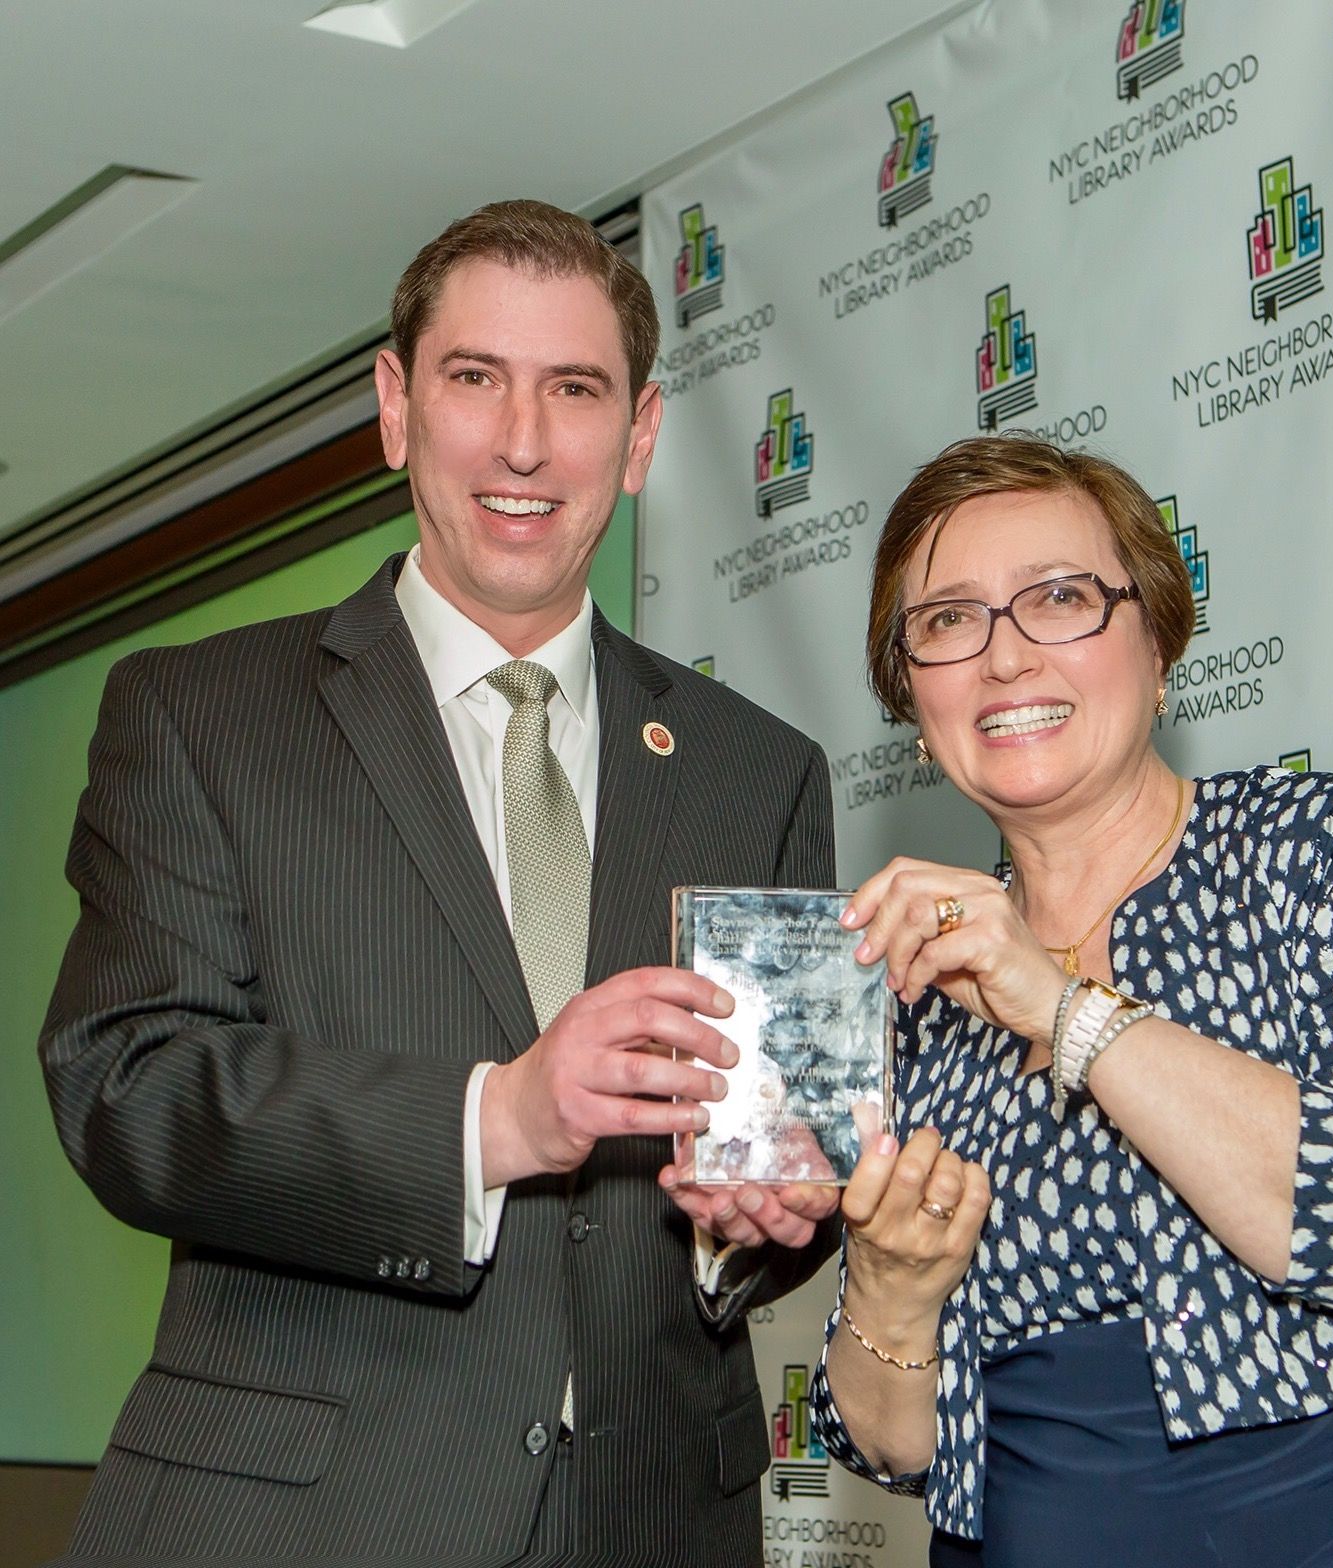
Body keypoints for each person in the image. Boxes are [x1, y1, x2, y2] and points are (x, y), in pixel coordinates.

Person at [39, 200, 838, 1565]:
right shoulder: (199, 716)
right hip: (311, 1520)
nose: (524, 442)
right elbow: (131, 1089)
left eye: (574, 390)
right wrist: (495, 1119)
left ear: (638, 434)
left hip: (655, 1524)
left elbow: (772, 1171)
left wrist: (758, 1222)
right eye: (476, 379)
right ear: (398, 406)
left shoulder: (757, 773)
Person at [807, 435, 1333, 1566]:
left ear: (1158, 644)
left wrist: (1060, 1003)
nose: (1004, 656)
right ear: (910, 692)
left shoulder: (1326, 849)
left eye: (1061, 598)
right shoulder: (901, 981)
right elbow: (893, 1448)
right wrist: (889, 1290)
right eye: (947, 621)